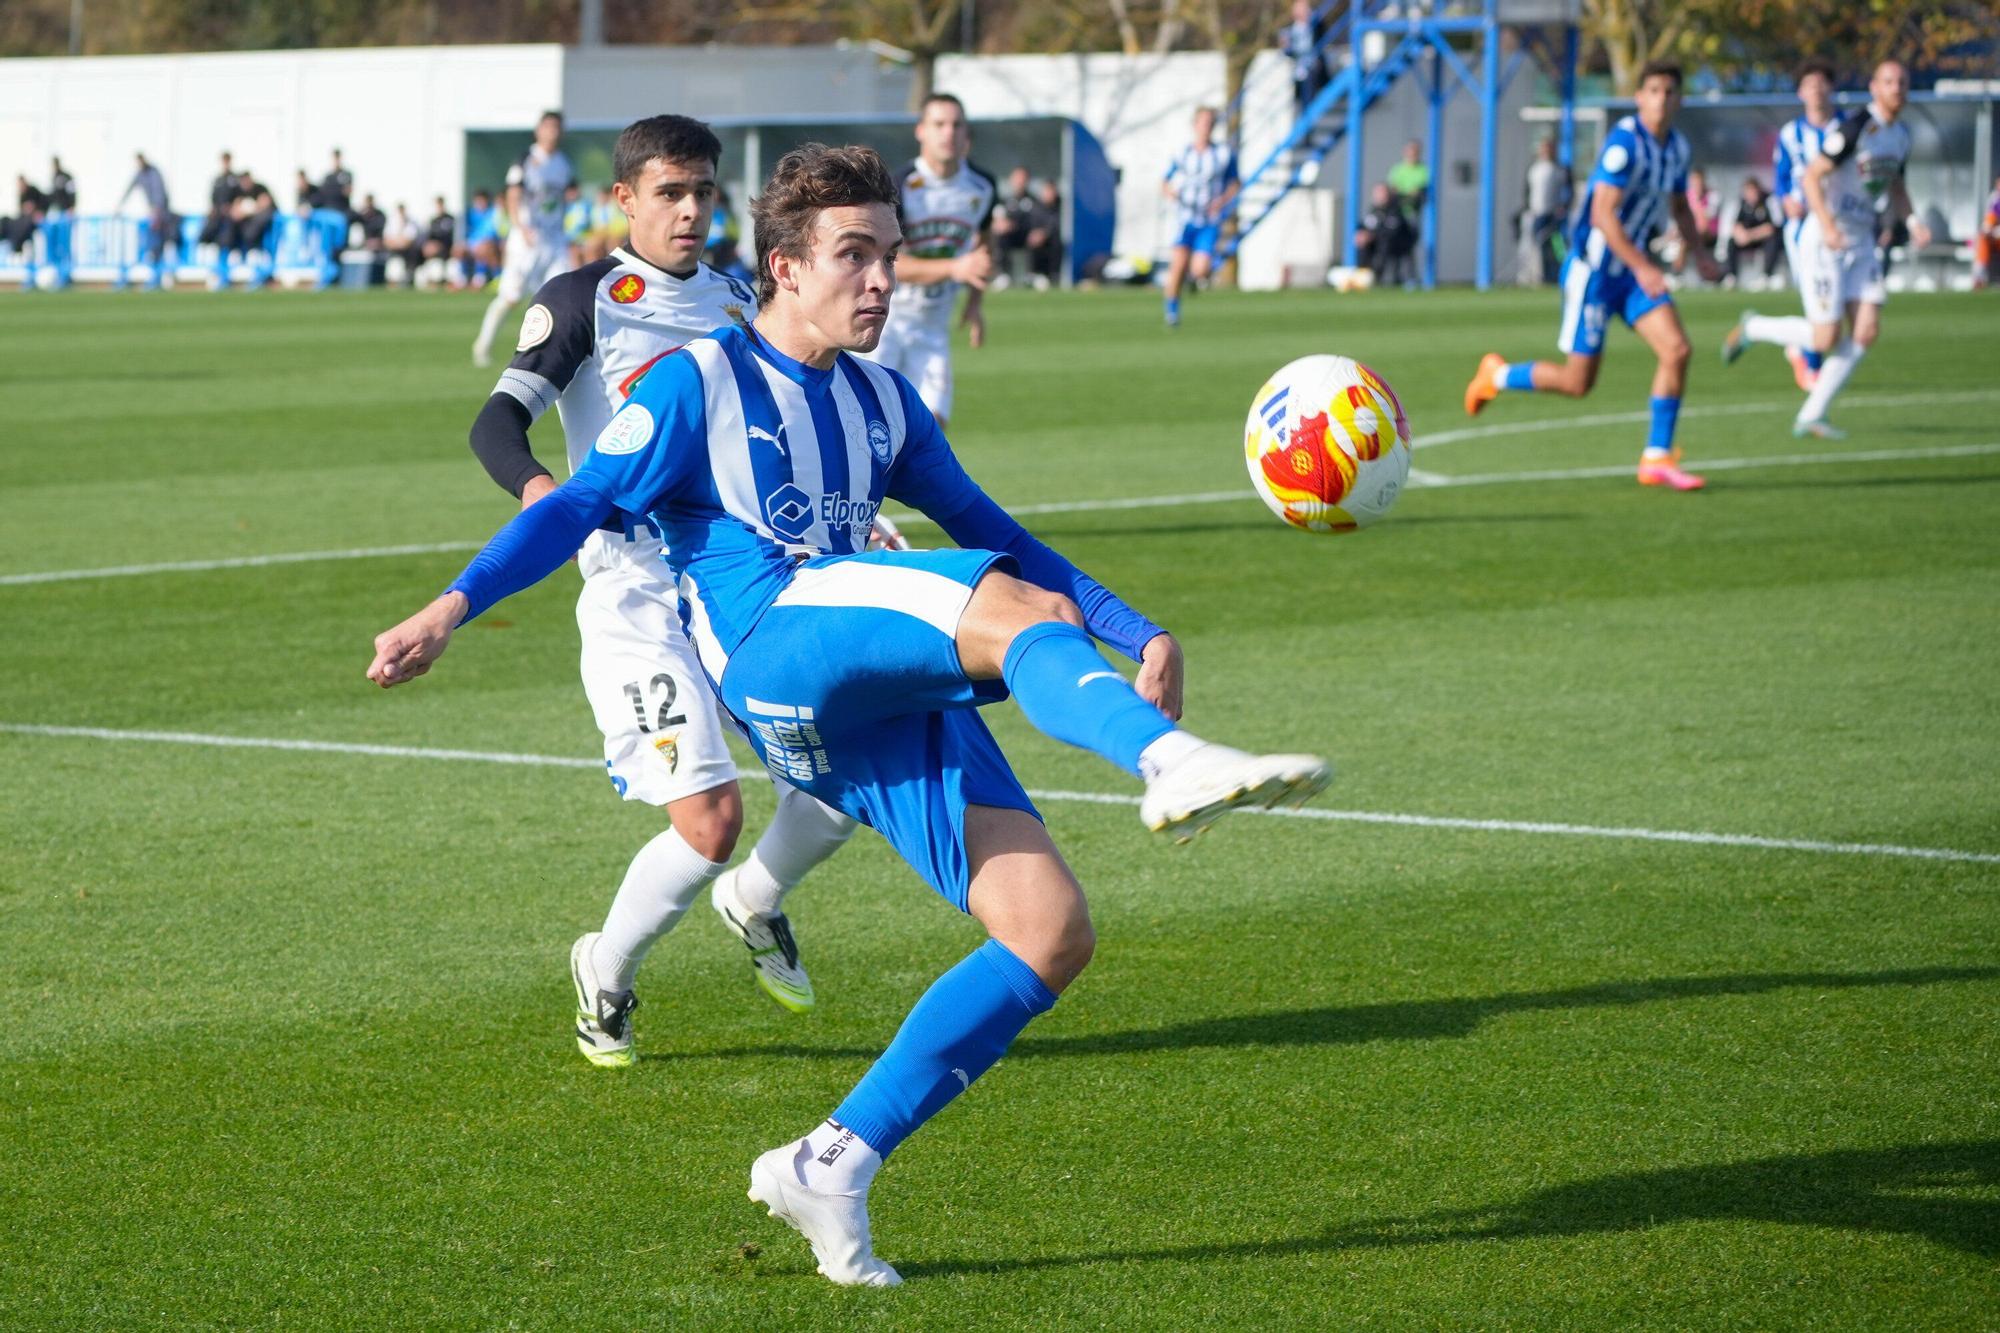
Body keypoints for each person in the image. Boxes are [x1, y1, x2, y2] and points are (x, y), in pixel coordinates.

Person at [366, 141, 1330, 1286]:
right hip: (775, 645)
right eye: (854, 257)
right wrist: (450, 605)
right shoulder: (694, 384)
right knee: (988, 598)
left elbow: (1000, 526)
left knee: (1048, 930)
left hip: (860, 682)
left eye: (891, 256)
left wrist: (1137, 629)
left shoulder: (883, 402)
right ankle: (1165, 759)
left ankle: (830, 1164)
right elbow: (571, 504)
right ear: (782, 266)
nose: (880, 280)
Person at [464, 115, 870, 1062]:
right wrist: (550, 500)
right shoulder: (583, 299)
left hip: (742, 574)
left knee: (851, 757)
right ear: (624, 200)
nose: (690, 210)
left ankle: (756, 901)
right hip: (634, 590)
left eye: (702, 192)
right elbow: (495, 426)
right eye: (669, 193)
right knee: (712, 817)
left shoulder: (739, 299)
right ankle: (605, 973)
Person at [1464, 62, 1721, 490]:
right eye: (1653, 90)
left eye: (1669, 91)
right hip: (1597, 274)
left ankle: (1656, 458)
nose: (1661, 98)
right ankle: (1496, 376)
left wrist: (1701, 255)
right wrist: (1644, 267)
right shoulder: (1625, 143)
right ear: (1639, 96)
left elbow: (1680, 208)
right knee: (1577, 382)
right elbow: (1603, 214)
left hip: (1634, 276)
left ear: (1680, 100)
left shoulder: (1676, 148)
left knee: (1677, 349)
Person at [1724, 60, 1927, 439]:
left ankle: (1812, 414)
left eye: (1902, 81)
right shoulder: (1852, 129)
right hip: (1826, 238)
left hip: (1862, 240)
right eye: (1889, 81)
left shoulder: (1900, 135)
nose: (1897, 88)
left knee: (1865, 332)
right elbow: (1812, 177)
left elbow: (1897, 186)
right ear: (1874, 87)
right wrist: (1829, 226)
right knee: (1825, 338)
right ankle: (1755, 326)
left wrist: (1914, 224)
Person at [859, 92, 996, 430]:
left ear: (966, 133)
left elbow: (985, 246)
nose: (948, 133)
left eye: (956, 125)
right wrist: (954, 268)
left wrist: (976, 302)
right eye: (939, 124)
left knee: (932, 428)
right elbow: (885, 261)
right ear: (921, 131)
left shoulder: (982, 186)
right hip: (887, 320)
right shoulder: (899, 185)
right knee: (871, 424)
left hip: (935, 325)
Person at [1724, 61, 1839, 390]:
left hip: (1842, 226)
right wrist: (1787, 200)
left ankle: (1763, 330)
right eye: (1809, 85)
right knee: (1815, 302)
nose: (1816, 90)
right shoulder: (1791, 134)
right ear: (1801, 92)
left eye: (1821, 83)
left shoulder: (1845, 128)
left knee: (1838, 308)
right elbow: (1781, 180)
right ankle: (1812, 364)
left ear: (1831, 88)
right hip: (1806, 227)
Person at [474, 111, 576, 366]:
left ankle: (553, 351)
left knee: (561, 294)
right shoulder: (526, 160)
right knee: (511, 296)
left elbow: (562, 197)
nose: (552, 132)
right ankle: (483, 345)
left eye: (557, 127)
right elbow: (513, 194)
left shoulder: (563, 162)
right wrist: (520, 226)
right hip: (527, 238)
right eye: (548, 126)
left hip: (553, 238)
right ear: (538, 130)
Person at [1160, 106, 1239, 328]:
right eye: (1203, 122)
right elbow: (1164, 182)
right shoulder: (1183, 154)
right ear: (1195, 125)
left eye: (1210, 123)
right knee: (1177, 266)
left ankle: (1193, 280)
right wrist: (1170, 193)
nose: (1206, 127)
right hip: (1185, 219)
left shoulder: (1222, 154)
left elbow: (1234, 183)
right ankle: (1172, 313)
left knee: (1201, 269)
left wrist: (1221, 201)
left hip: (1208, 221)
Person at [118, 153, 176, 284]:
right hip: (153, 213)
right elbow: (129, 188)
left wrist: (157, 210)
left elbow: (159, 192)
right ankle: (155, 275)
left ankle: (159, 276)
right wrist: (119, 206)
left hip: (161, 213)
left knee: (159, 244)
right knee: (152, 245)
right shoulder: (139, 174)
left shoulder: (154, 173)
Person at [1522, 137, 1568, 286]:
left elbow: (1568, 191)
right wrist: (1527, 208)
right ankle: (1541, 276)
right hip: (1538, 214)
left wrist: (1563, 207)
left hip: (1555, 215)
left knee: (1558, 247)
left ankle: (1559, 275)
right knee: (1539, 247)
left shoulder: (1560, 169)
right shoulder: (1534, 168)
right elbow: (1527, 190)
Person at [1353, 181, 1415, 286]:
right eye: (1377, 193)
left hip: (1398, 243)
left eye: (1382, 193)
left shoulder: (1395, 210)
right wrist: (1361, 233)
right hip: (1376, 242)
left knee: (1384, 243)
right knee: (1362, 243)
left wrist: (1372, 236)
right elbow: (1366, 224)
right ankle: (1363, 275)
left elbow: (1392, 231)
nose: (1380, 196)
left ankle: (1377, 277)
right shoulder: (1374, 210)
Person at [1725, 177, 1783, 285]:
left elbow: (1772, 228)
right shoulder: (1741, 203)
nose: (1751, 194)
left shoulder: (1770, 200)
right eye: (1748, 191)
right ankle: (1731, 276)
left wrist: (1750, 235)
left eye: (1753, 191)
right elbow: (1734, 224)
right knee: (1732, 242)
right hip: (1747, 240)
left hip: (1764, 239)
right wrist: (1740, 234)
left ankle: (1766, 275)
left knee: (1773, 241)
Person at [1281, 0, 1328, 113]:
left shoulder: (1315, 26)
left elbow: (1321, 31)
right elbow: (1287, 51)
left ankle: (1308, 121)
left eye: (1305, 9)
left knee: (1309, 90)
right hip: (1296, 68)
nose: (1304, 12)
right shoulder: (1289, 29)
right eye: (1300, 9)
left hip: (1310, 68)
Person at [1677, 168, 1720, 277]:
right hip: (1693, 233)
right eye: (1693, 182)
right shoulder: (1687, 196)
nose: (1696, 184)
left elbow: (1705, 220)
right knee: (1685, 238)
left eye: (1698, 181)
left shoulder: (1713, 195)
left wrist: (1695, 202)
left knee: (1687, 239)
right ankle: (1678, 273)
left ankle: (1677, 273)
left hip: (1710, 233)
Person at [457, 188, 502, 289]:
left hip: (488, 243)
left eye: (482, 200)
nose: (480, 203)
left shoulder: (493, 213)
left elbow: (493, 232)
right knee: (459, 249)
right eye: (478, 200)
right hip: (473, 243)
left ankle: (481, 278)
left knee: (484, 248)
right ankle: (462, 278)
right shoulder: (469, 214)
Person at [199, 152, 242, 252]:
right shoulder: (217, 179)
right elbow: (212, 197)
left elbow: (239, 197)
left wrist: (232, 208)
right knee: (207, 231)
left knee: (227, 235)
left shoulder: (235, 179)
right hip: (217, 213)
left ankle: (225, 255)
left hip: (229, 215)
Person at [1387, 139, 1430, 216]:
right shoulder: (1397, 169)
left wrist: (1410, 194)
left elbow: (1417, 191)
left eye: (1415, 153)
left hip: (1416, 211)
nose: (1412, 155)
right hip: (1398, 210)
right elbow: (1394, 188)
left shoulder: (1424, 169)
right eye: (1409, 152)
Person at [1975, 173, 2000, 289]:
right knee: (1982, 239)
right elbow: (1988, 223)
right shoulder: (1994, 199)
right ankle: (1979, 278)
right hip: (1996, 238)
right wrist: (1988, 230)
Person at [319, 148, 354, 218]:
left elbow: (347, 192)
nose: (336, 161)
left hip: (342, 210)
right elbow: (323, 194)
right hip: (328, 210)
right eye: (334, 158)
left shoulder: (346, 174)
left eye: (337, 158)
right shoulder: (328, 177)